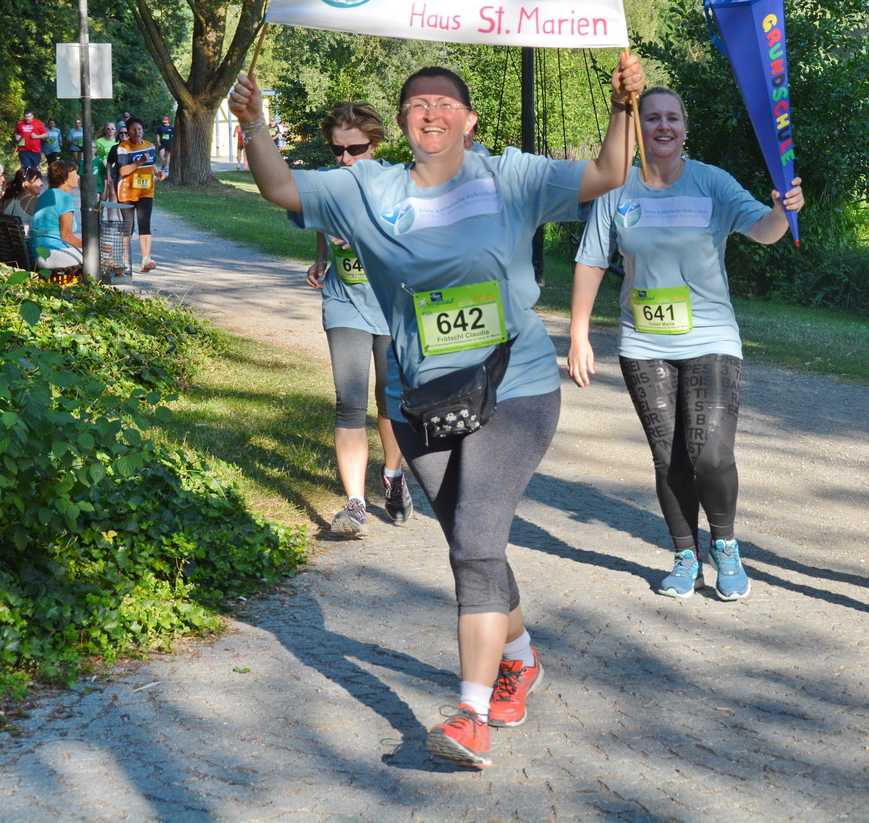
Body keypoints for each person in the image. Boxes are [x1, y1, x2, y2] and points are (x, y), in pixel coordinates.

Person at [233, 52, 645, 770]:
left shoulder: (509, 177)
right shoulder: (367, 187)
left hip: (513, 386)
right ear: (401, 122)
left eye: (445, 103)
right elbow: (279, 187)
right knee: (469, 539)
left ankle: (471, 715)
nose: (431, 113)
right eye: (418, 104)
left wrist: (622, 107)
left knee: (475, 543)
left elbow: (608, 172)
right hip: (418, 396)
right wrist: (252, 125)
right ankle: (520, 657)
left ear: (469, 120)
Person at [567, 87, 805, 601]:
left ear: (685, 127)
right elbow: (591, 260)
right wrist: (579, 334)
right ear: (638, 129)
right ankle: (684, 556)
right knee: (668, 457)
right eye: (652, 118)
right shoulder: (617, 189)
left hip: (711, 337)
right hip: (643, 342)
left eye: (672, 117)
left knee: (710, 455)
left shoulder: (711, 182)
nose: (663, 126)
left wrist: (783, 211)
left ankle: (725, 545)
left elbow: (763, 231)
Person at [304, 103, 413, 539]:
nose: (346, 158)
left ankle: (393, 476)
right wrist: (320, 260)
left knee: (391, 400)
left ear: (375, 143)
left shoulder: (398, 183)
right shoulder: (327, 185)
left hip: (391, 305)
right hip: (344, 302)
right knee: (349, 400)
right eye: (338, 150)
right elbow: (322, 225)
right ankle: (355, 504)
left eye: (356, 149)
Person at [106, 116, 165, 272]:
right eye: (133, 130)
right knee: (128, 225)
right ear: (128, 132)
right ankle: (125, 258)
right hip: (127, 191)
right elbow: (123, 170)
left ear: (143, 130)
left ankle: (146, 259)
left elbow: (152, 163)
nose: (137, 132)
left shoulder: (150, 146)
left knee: (145, 223)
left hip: (145, 190)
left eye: (139, 129)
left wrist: (157, 173)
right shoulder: (123, 147)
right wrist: (139, 162)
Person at [31, 159, 84, 269]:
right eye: (75, 174)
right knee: (97, 256)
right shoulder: (65, 198)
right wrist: (91, 250)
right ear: (64, 178)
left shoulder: (45, 195)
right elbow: (67, 237)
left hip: (39, 251)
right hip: (52, 253)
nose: (78, 177)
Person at [92, 122, 119, 197]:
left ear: (115, 130)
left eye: (113, 128)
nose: (111, 130)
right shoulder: (99, 141)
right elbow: (95, 154)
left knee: (112, 194)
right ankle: (100, 205)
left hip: (114, 168)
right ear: (105, 130)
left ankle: (112, 205)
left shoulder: (117, 142)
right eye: (108, 128)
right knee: (103, 194)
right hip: (102, 168)